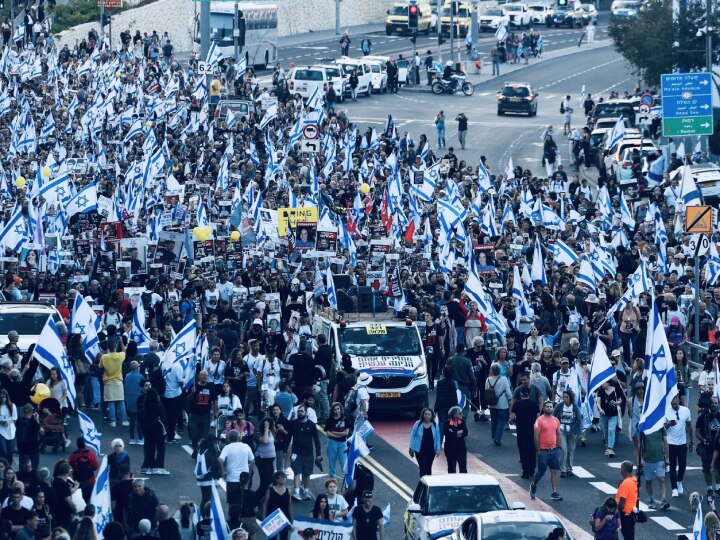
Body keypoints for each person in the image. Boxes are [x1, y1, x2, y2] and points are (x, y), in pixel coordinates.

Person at [284, 405, 321, 502]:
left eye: (302, 411)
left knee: (307, 473)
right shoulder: (293, 424)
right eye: (298, 412)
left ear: (306, 413)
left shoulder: (311, 425)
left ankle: (305, 490)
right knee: (297, 472)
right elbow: (288, 437)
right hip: (296, 454)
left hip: (308, 454)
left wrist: (318, 454)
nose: (300, 413)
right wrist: (285, 451)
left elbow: (317, 440)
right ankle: (296, 492)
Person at [529, 400, 562, 502]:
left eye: (551, 406)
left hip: (554, 450)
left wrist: (559, 446)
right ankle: (534, 484)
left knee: (555, 471)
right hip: (543, 450)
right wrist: (538, 451)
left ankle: (554, 492)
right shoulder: (539, 420)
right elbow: (536, 437)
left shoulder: (556, 420)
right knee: (541, 471)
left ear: (553, 408)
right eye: (547, 406)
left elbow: (558, 433)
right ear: (543, 408)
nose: (549, 408)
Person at [664, 395, 692, 498]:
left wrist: (692, 441)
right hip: (671, 443)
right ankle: (674, 488)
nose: (674, 406)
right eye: (672, 404)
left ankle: (679, 480)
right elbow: (663, 428)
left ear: (679, 401)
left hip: (682, 442)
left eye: (676, 404)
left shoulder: (686, 410)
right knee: (672, 466)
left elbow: (689, 426)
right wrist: (669, 425)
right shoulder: (667, 411)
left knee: (683, 465)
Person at [553, 390, 580, 478]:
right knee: (563, 449)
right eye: (563, 397)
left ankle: (569, 469)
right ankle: (563, 470)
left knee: (571, 450)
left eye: (567, 397)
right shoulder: (560, 405)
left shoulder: (575, 407)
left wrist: (578, 432)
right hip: (562, 430)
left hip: (572, 430)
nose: (565, 399)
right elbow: (553, 415)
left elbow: (579, 419)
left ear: (570, 398)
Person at [641, 427, 670, 510]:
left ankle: (663, 500)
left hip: (660, 458)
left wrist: (667, 458)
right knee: (648, 481)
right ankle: (651, 499)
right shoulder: (644, 427)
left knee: (661, 478)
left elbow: (665, 442)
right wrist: (641, 459)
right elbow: (639, 444)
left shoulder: (660, 426)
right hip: (648, 459)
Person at [408, 408, 441, 477]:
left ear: (432, 416)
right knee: (422, 468)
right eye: (425, 414)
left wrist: (438, 449)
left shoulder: (435, 425)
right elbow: (412, 436)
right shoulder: (418, 423)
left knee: (428, 469)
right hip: (420, 450)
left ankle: (428, 485)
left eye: (429, 414)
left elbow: (438, 438)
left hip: (431, 451)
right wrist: (411, 447)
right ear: (423, 415)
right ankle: (422, 485)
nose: (427, 416)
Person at [485, 363, 512, 446]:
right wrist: (510, 399)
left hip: (492, 403)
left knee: (494, 420)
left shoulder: (488, 379)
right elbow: (508, 392)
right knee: (502, 421)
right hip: (502, 403)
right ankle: (497, 437)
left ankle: (494, 435)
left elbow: (486, 390)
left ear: (492, 370)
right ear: (500, 370)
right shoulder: (503, 379)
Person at [324, 403, 349, 483]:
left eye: (338, 409)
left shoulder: (345, 418)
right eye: (335, 409)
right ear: (332, 411)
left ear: (341, 409)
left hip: (342, 444)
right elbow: (328, 433)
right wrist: (340, 435)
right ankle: (334, 485)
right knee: (332, 465)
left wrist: (335, 433)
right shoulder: (329, 420)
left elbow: (346, 433)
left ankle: (346, 484)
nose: (337, 411)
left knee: (344, 465)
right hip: (332, 443)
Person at [615, 461, 638, 540]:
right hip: (631, 514)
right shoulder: (634, 480)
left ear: (623, 470)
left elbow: (622, 501)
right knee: (630, 537)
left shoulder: (626, 483)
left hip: (625, 515)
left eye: (621, 468)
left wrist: (617, 513)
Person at [443, 406, 468, 473]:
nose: (462, 414)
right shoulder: (447, 423)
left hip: (461, 448)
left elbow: (465, 432)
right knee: (451, 468)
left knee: (463, 468)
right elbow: (448, 434)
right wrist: (459, 432)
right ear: (454, 415)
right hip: (450, 449)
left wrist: (454, 433)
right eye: (460, 413)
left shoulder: (461, 422)